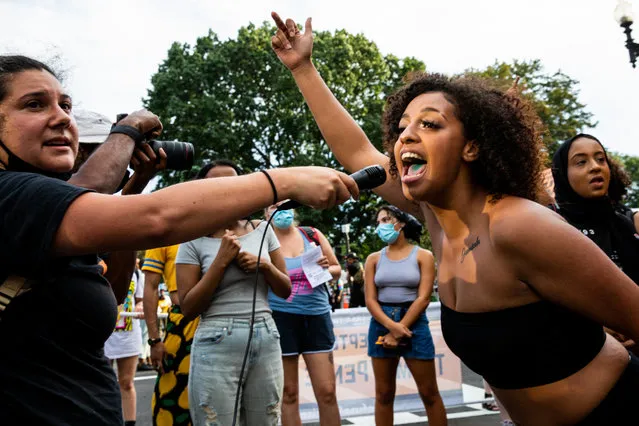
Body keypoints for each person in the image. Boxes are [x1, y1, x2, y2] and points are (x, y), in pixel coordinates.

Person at [270, 15, 639, 425]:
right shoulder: (436, 220)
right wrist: (302, 68)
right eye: (402, 126)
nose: (406, 135)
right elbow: (357, 151)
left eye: (429, 124)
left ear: (472, 148)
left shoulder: (517, 224)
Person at [0, 54, 358, 425]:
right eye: (34, 104)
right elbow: (158, 219)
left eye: (66, 105)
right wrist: (279, 182)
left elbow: (111, 294)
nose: (61, 117)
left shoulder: (47, 219)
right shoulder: (10, 195)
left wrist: (135, 185)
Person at [176, 160, 291, 425]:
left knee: (268, 420)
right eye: (218, 184)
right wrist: (220, 262)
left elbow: (285, 289)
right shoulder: (192, 238)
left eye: (235, 182)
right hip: (216, 338)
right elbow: (189, 307)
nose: (228, 189)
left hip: (266, 335)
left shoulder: (263, 230)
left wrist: (265, 267)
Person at [551, 134, 639, 351]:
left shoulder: (626, 223)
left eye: (601, 159)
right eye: (581, 162)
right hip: (583, 353)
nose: (595, 167)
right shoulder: (551, 225)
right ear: (562, 173)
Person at [365, 205, 446, 426]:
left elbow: (424, 298)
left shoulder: (423, 255)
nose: (380, 226)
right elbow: (370, 300)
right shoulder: (373, 259)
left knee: (429, 392)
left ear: (400, 224)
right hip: (382, 322)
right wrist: (392, 327)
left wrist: (400, 328)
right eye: (378, 221)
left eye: (385, 220)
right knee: (383, 394)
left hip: (415, 324)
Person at [265, 204, 342, 426]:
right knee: (288, 394)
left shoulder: (312, 234)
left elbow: (336, 269)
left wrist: (326, 268)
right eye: (275, 206)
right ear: (266, 212)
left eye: (286, 205)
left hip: (316, 316)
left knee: (327, 391)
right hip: (280, 318)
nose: (281, 210)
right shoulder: (263, 238)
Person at [104, 266, 145, 426]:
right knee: (104, 383)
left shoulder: (136, 273)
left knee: (127, 382)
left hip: (128, 336)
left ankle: (130, 423)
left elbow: (140, 299)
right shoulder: (99, 266)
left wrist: (140, 306)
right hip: (104, 335)